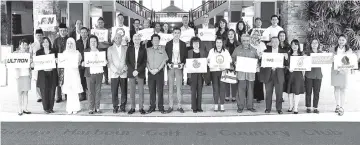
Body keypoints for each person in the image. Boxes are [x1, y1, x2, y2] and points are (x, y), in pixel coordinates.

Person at [260, 37, 288, 114]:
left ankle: (279, 108)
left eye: (276, 41)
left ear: (279, 42)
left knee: (279, 93)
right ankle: (268, 108)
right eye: (273, 42)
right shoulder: (266, 51)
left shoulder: (283, 51)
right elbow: (262, 63)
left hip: (279, 74)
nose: (275, 43)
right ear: (270, 43)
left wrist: (286, 58)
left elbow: (287, 64)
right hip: (269, 74)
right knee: (268, 93)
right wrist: (261, 57)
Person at [232, 34, 258, 113]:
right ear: (241, 41)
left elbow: (257, 60)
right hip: (241, 74)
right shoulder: (237, 49)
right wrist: (234, 62)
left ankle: (250, 106)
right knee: (241, 90)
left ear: (249, 40)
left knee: (250, 90)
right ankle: (240, 106)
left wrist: (257, 64)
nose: (246, 42)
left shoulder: (254, 50)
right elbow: (232, 58)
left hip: (251, 74)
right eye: (244, 41)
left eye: (247, 40)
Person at [165, 27, 188, 113]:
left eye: (178, 32)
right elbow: (166, 55)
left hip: (179, 67)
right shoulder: (168, 44)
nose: (177, 34)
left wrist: (182, 64)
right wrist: (168, 63)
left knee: (179, 88)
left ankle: (179, 106)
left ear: (180, 34)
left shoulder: (183, 44)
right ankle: (170, 106)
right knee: (170, 88)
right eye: (175, 32)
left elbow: (185, 56)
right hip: (171, 67)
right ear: (173, 34)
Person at [207, 36, 232, 112]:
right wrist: (211, 65)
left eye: (220, 42)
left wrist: (225, 67)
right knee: (215, 88)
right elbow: (208, 61)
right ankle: (215, 105)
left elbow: (230, 61)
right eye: (217, 42)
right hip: (214, 71)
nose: (218, 44)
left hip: (223, 71)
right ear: (215, 43)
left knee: (222, 88)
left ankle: (222, 105)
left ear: (222, 43)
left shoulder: (226, 51)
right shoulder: (211, 51)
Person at [146, 34, 168, 114]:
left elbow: (164, 60)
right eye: (154, 40)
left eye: (157, 40)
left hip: (159, 73)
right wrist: (150, 70)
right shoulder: (147, 50)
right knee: (151, 90)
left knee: (160, 90)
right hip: (150, 72)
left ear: (159, 41)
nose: (155, 41)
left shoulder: (163, 49)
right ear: (151, 41)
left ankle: (161, 107)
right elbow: (146, 62)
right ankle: (152, 107)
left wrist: (158, 69)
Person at [331, 34, 352, 116]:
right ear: (338, 40)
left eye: (343, 40)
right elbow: (330, 59)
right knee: (336, 88)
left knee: (343, 89)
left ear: (346, 41)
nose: (341, 41)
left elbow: (349, 61)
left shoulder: (349, 50)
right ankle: (337, 105)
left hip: (344, 71)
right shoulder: (334, 49)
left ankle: (342, 107)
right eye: (340, 39)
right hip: (335, 70)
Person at [126, 34, 147, 115]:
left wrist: (138, 70)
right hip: (131, 73)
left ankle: (141, 108)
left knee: (141, 91)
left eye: (138, 39)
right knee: (132, 91)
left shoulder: (143, 49)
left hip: (140, 72)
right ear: (133, 39)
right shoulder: (129, 48)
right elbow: (127, 61)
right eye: (135, 38)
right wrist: (133, 70)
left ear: (140, 40)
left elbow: (145, 62)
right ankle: (132, 107)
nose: (137, 40)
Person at [83, 35, 105, 114]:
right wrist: (82, 63)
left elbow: (104, 61)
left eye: (95, 41)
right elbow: (82, 62)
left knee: (98, 91)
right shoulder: (86, 51)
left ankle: (98, 107)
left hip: (99, 73)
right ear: (89, 42)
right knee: (90, 92)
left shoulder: (101, 52)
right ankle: (91, 108)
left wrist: (105, 62)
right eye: (91, 41)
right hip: (89, 74)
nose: (93, 43)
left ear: (97, 43)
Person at [108, 33, 128, 113]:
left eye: (119, 38)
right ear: (114, 39)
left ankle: (123, 106)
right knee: (114, 91)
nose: (117, 39)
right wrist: (116, 71)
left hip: (123, 73)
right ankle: (115, 106)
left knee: (124, 90)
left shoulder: (125, 48)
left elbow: (128, 61)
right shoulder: (110, 49)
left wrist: (123, 70)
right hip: (114, 73)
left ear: (121, 39)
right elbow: (110, 61)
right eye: (116, 38)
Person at [37, 37, 58, 114]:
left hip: (52, 73)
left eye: (47, 42)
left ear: (49, 43)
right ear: (42, 44)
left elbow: (57, 62)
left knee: (52, 91)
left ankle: (51, 107)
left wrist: (57, 60)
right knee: (44, 91)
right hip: (43, 74)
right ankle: (46, 108)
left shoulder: (54, 51)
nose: (45, 43)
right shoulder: (38, 52)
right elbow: (37, 64)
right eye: (44, 42)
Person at [62, 38, 83, 114]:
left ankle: (76, 107)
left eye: (71, 43)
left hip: (74, 73)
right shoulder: (64, 53)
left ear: (74, 44)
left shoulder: (77, 53)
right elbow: (62, 63)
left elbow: (79, 63)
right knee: (69, 91)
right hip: (67, 73)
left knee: (75, 90)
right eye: (68, 43)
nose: (69, 45)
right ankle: (69, 108)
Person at [13, 39, 32, 116]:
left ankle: (25, 108)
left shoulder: (29, 54)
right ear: (19, 45)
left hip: (27, 74)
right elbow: (11, 62)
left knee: (26, 92)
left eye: (25, 44)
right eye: (22, 44)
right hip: (19, 75)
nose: (24, 46)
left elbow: (32, 65)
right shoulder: (15, 54)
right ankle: (19, 109)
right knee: (20, 92)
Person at [286, 39, 305, 114]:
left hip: (298, 75)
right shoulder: (288, 54)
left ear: (298, 46)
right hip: (290, 75)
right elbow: (285, 65)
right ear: (291, 46)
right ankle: (290, 106)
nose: (294, 46)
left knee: (297, 91)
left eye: (296, 45)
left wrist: (303, 75)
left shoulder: (302, 55)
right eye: (293, 45)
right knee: (290, 91)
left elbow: (304, 66)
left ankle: (296, 107)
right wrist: (288, 68)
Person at [305, 38, 323, 114]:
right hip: (309, 75)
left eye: (316, 43)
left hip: (318, 75)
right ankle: (308, 107)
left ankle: (315, 107)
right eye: (313, 43)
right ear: (311, 44)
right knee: (308, 92)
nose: (314, 44)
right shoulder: (307, 53)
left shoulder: (321, 53)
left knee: (317, 92)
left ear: (318, 44)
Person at [196, 14, 215, 86]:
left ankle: (208, 80)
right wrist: (197, 36)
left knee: (209, 64)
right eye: (204, 17)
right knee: (201, 64)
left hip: (209, 48)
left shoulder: (212, 27)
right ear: (202, 19)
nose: (205, 18)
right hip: (201, 47)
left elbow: (213, 40)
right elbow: (195, 39)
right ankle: (201, 80)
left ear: (208, 19)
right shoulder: (198, 27)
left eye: (207, 17)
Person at [188, 37, 206, 113]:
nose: (196, 45)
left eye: (197, 43)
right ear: (192, 44)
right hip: (192, 74)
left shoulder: (202, 51)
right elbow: (188, 65)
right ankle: (194, 107)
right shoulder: (189, 52)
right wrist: (188, 76)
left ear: (199, 44)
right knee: (193, 91)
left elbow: (205, 63)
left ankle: (199, 107)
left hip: (201, 74)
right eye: (194, 43)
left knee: (200, 91)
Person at [53, 23, 69, 103]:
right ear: (59, 31)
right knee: (59, 79)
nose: (62, 32)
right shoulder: (56, 40)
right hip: (59, 63)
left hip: (68, 63)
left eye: (64, 30)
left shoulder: (69, 40)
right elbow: (54, 51)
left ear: (66, 31)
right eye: (61, 30)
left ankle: (67, 95)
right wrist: (55, 59)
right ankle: (58, 96)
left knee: (67, 79)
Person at [250, 30, 266, 103]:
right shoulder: (249, 44)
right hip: (251, 64)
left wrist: (261, 56)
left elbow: (265, 53)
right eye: (254, 34)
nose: (256, 36)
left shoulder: (262, 44)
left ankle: (259, 97)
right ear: (252, 35)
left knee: (259, 80)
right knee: (252, 80)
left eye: (257, 34)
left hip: (259, 64)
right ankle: (252, 96)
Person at [224, 29, 240, 102]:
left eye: (232, 34)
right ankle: (227, 95)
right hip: (226, 63)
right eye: (229, 34)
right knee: (227, 80)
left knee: (234, 80)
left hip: (235, 63)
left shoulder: (238, 44)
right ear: (227, 36)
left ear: (234, 35)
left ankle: (234, 96)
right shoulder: (224, 44)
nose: (230, 35)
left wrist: (235, 62)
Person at [76, 27, 90, 101]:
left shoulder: (90, 41)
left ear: (87, 33)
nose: (83, 34)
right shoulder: (77, 42)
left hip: (89, 63)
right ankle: (83, 94)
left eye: (85, 32)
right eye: (82, 32)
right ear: (80, 33)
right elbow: (76, 53)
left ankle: (90, 94)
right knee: (81, 79)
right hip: (81, 63)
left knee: (89, 78)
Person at [30, 28, 44, 103]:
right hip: (36, 65)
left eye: (40, 35)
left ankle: (44, 95)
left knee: (45, 80)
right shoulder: (32, 45)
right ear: (35, 35)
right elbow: (31, 56)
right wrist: (31, 63)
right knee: (37, 80)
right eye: (38, 35)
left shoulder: (45, 43)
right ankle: (39, 96)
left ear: (43, 35)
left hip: (45, 64)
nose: (39, 36)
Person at [96, 17, 111, 85]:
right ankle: (99, 80)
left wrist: (106, 42)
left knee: (104, 64)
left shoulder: (106, 31)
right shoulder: (95, 31)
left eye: (101, 22)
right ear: (97, 23)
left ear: (103, 23)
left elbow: (110, 42)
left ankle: (106, 79)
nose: (100, 24)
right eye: (99, 22)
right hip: (97, 49)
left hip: (105, 48)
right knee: (98, 65)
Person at [279, 31, 291, 102]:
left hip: (285, 66)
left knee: (283, 82)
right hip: (278, 66)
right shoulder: (276, 45)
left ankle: (282, 96)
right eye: (280, 36)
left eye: (283, 36)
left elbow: (289, 56)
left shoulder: (288, 46)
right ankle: (279, 96)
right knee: (278, 82)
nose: (282, 37)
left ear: (285, 37)